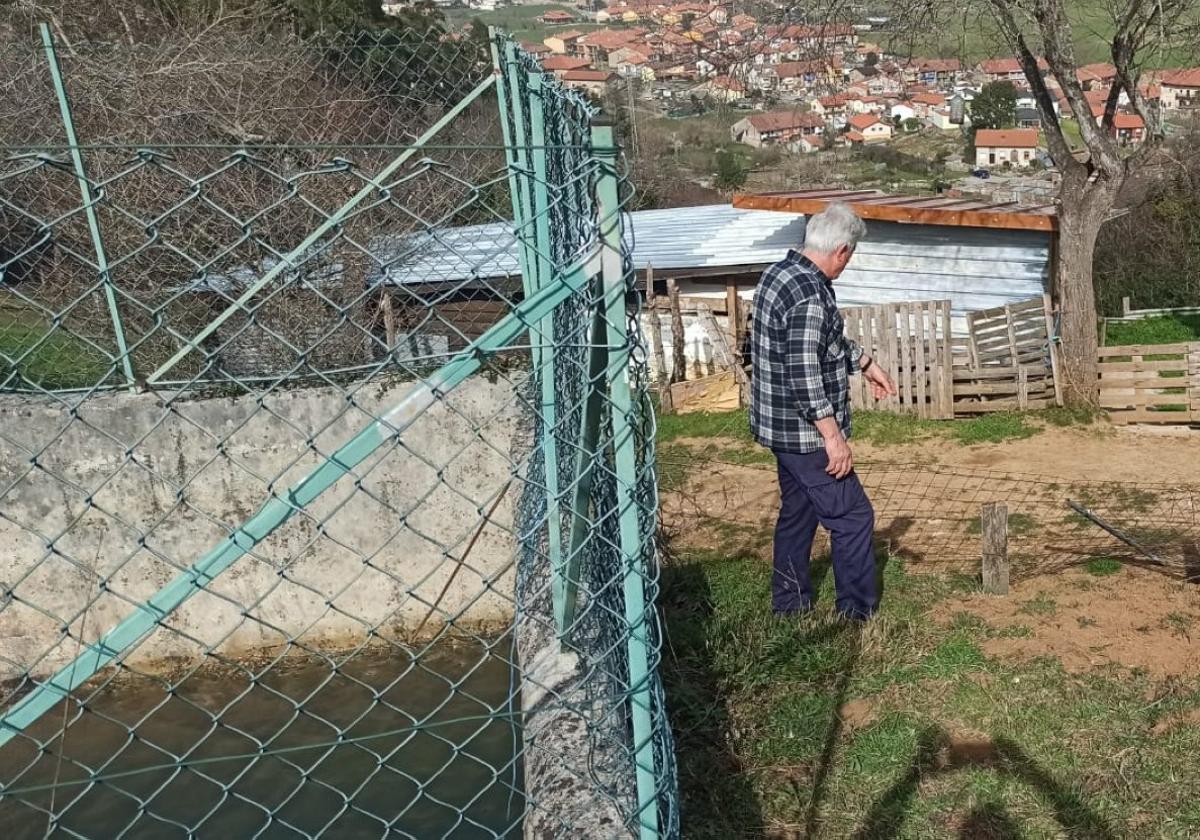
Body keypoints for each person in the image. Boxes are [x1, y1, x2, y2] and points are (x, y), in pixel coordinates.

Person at [749, 202, 896, 621]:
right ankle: (855, 614)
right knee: (852, 516)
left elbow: (821, 343)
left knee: (799, 511)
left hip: (777, 428)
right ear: (842, 251)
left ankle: (790, 602)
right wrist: (832, 438)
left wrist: (866, 364)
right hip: (805, 434)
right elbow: (804, 371)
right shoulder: (811, 295)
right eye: (851, 257)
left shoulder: (779, 274)